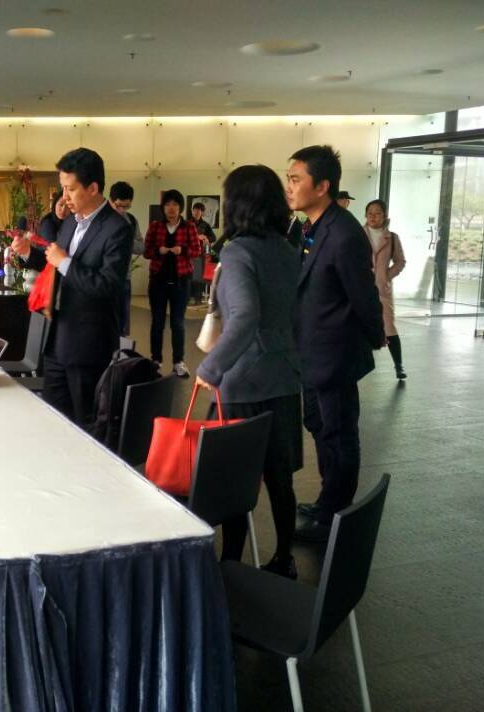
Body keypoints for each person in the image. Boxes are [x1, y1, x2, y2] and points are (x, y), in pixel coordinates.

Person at [195, 165, 302, 578]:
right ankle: (284, 558)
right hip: (284, 375)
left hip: (242, 381)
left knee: (233, 476)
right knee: (279, 477)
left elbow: (243, 317)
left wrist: (211, 367)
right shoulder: (287, 250)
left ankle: (231, 563)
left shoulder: (237, 252)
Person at [287, 145, 384, 543]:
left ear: (322, 186)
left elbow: (363, 295)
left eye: (296, 179)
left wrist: (374, 338)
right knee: (319, 426)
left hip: (335, 354)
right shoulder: (309, 227)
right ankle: (328, 500)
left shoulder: (343, 234)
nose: (289, 186)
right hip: (311, 352)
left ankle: (336, 517)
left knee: (339, 433)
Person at [10, 147, 133, 426]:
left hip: (89, 346)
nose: (64, 197)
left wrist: (65, 262)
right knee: (55, 423)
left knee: (84, 426)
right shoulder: (69, 224)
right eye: (63, 188)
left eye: (70, 189)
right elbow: (54, 266)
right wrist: (29, 253)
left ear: (93, 188)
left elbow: (107, 285)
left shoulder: (117, 229)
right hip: (57, 341)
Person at [143, 189, 201, 378]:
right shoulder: (155, 226)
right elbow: (146, 251)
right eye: (167, 204)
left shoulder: (189, 226)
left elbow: (196, 250)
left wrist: (182, 250)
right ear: (163, 207)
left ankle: (178, 362)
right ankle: (156, 361)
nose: (171, 208)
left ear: (181, 208)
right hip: (158, 281)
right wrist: (157, 251)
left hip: (181, 281)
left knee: (178, 323)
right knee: (157, 322)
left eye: (175, 204)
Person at [364, 199, 407, 379]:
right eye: (370, 213)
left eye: (377, 213)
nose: (373, 217)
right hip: (361, 287)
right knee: (359, 326)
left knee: (389, 328)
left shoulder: (392, 238)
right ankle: (359, 366)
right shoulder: (358, 234)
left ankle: (399, 365)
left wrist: (386, 276)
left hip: (382, 289)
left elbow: (400, 261)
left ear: (385, 216)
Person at [109, 181, 144, 336]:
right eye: (118, 206)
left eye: (126, 206)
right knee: (103, 321)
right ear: (110, 201)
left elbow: (141, 247)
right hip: (102, 277)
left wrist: (127, 240)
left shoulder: (131, 221)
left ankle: (120, 350)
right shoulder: (100, 219)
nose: (122, 210)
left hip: (124, 277)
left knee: (122, 324)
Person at [189, 202, 214, 304]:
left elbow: (213, 237)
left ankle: (198, 299)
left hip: (200, 254)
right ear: (192, 211)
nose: (196, 212)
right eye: (195, 210)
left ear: (202, 212)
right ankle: (186, 298)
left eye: (199, 210)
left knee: (198, 276)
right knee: (187, 276)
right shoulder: (186, 223)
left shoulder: (206, 225)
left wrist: (207, 238)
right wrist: (197, 237)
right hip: (188, 254)